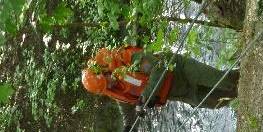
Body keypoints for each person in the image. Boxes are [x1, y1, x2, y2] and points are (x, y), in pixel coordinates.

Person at [82, 46, 239, 112]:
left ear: (103, 70)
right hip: (178, 93)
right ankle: (243, 94)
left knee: (224, 80)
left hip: (180, 71)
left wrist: (147, 93)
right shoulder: (110, 88)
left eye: (107, 80)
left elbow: (158, 66)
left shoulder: (127, 58)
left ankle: (247, 73)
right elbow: (123, 102)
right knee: (215, 102)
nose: (110, 84)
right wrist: (127, 128)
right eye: (106, 86)